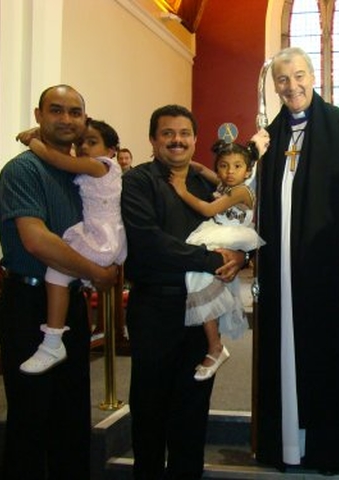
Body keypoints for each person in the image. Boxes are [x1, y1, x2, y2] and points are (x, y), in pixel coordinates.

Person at [249, 46, 339, 473]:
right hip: (279, 269)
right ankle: (288, 445)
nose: (292, 86)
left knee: (327, 351)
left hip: (328, 265)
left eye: (299, 76)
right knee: (283, 350)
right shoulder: (270, 136)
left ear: (313, 75)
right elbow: (248, 198)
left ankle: (329, 447)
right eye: (282, 80)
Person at [0, 84, 118, 479]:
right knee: (31, 415)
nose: (65, 119)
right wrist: (97, 272)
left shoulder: (83, 175)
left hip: (71, 302)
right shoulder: (22, 170)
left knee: (71, 412)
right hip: (28, 303)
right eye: (56, 110)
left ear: (84, 120)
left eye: (74, 112)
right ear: (38, 115)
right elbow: (37, 241)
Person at [121, 104, 245, 479]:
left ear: (194, 140)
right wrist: (213, 259)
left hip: (201, 310)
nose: (177, 140)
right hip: (155, 307)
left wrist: (240, 255)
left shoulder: (206, 183)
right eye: (167, 134)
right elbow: (148, 242)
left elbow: (236, 224)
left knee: (193, 407)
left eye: (184, 134)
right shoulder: (137, 182)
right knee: (150, 406)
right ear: (153, 140)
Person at [15, 119, 127, 374]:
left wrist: (33, 140)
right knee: (62, 274)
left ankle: (52, 341)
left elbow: (57, 160)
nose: (84, 147)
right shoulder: (93, 168)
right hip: (100, 235)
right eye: (80, 143)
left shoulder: (101, 165)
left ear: (111, 151)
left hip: (100, 238)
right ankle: (54, 341)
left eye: (92, 142)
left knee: (57, 272)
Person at [169, 139, 264, 381]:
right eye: (223, 166)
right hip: (217, 231)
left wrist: (181, 190)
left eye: (237, 166)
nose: (229, 171)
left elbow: (208, 210)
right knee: (199, 278)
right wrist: (187, 162)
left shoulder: (241, 190)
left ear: (248, 170)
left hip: (230, 234)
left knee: (197, 279)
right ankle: (215, 341)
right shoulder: (225, 183)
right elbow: (202, 170)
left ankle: (215, 346)